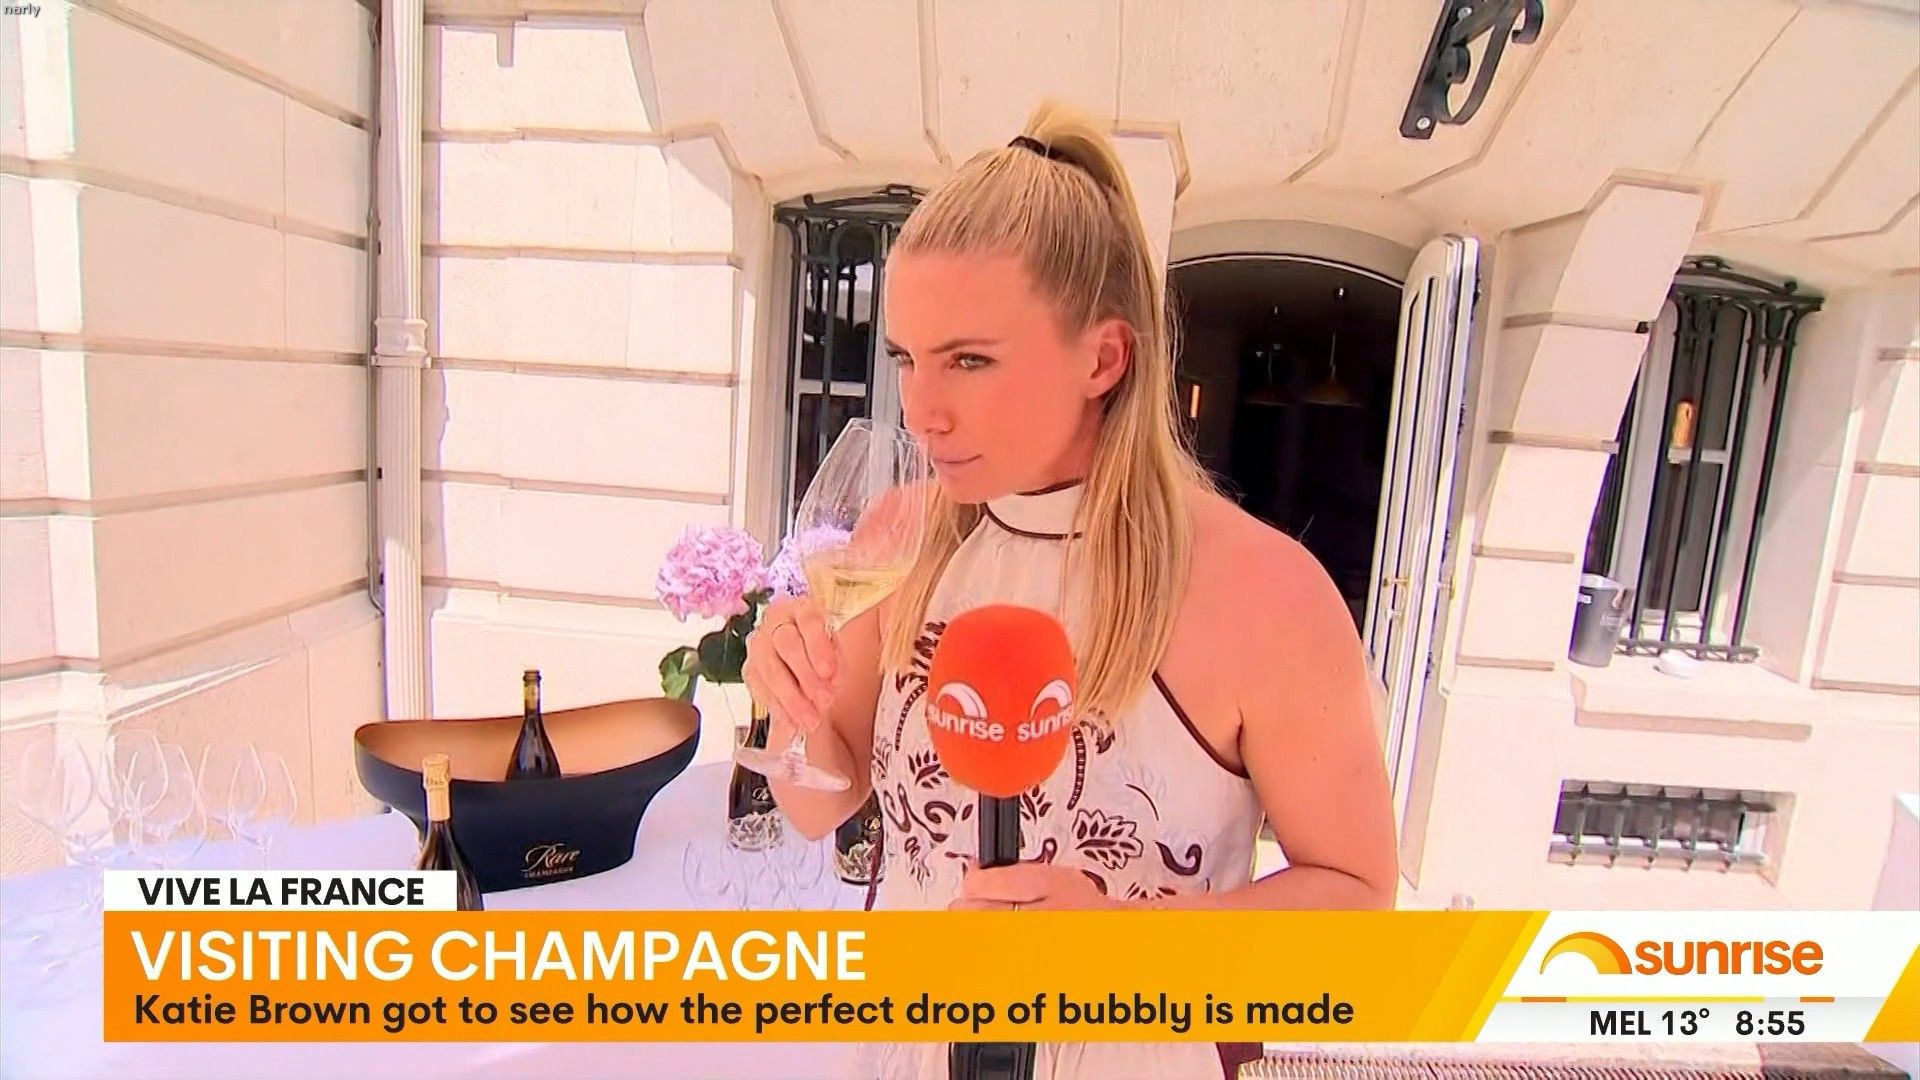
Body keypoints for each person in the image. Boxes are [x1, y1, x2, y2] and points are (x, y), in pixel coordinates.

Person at [744, 100, 1397, 1080]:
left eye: (970, 359)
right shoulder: (899, 536)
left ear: (1103, 357)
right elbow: (815, 809)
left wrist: (1126, 950)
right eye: (908, 359)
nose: (922, 410)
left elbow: (1358, 903)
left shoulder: (1265, 591)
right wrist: (784, 704)